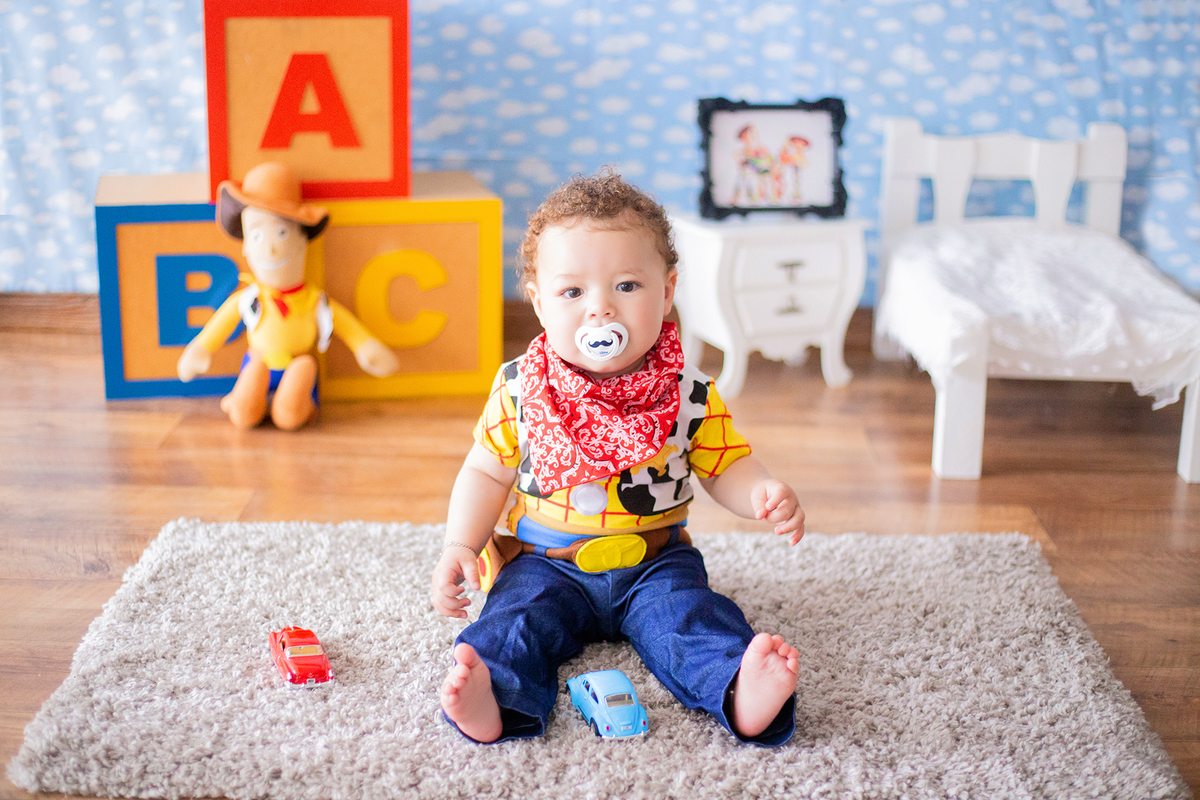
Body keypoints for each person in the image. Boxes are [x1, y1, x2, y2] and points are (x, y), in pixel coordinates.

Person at [430, 171, 805, 746]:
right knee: (514, 622)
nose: (600, 310)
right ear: (537, 302)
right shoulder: (521, 389)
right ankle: (494, 698)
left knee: (691, 619)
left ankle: (739, 687)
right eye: (573, 292)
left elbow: (725, 464)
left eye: (627, 286)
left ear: (667, 290)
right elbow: (485, 470)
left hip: (656, 563)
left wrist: (760, 493)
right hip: (546, 562)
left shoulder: (685, 389)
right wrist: (461, 543)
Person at [176, 161, 398, 429]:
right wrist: (201, 349)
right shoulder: (248, 299)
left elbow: (347, 328)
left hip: (297, 365)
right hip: (258, 361)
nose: (270, 249)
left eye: (282, 233)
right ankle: (244, 403)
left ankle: (293, 408)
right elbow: (218, 327)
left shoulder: (315, 301)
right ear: (245, 245)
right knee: (248, 404)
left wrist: (366, 348)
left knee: (300, 379)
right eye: (257, 236)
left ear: (302, 241)